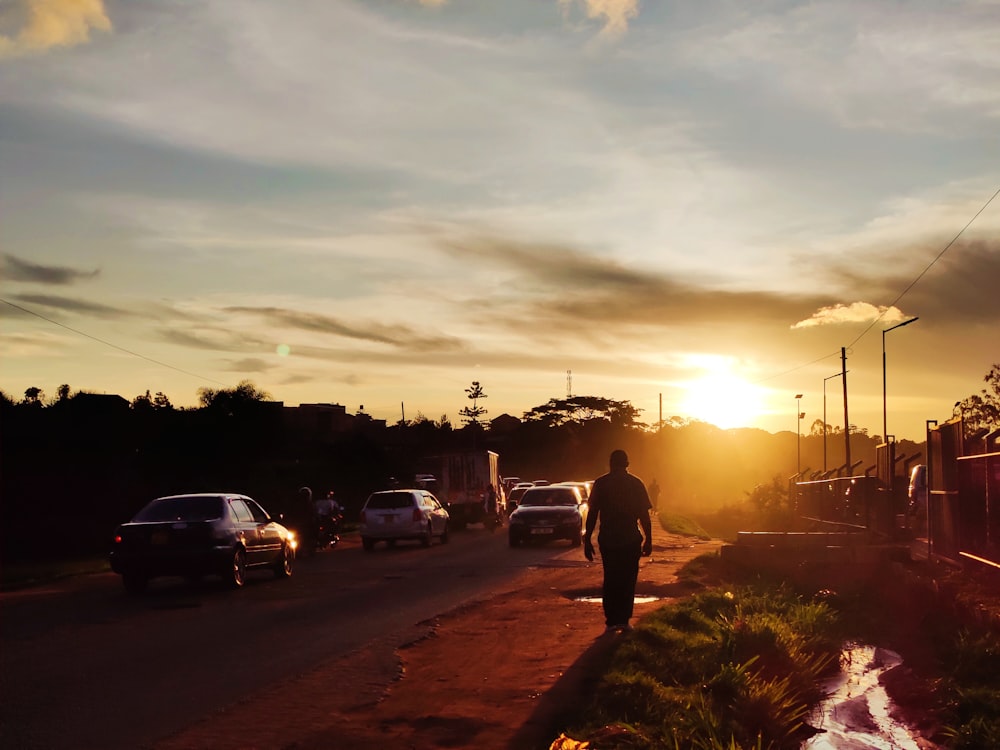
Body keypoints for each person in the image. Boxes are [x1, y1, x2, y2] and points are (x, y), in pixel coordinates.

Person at [583, 449, 653, 634]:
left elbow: (592, 514)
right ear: (627, 464)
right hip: (630, 539)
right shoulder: (636, 483)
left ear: (611, 464)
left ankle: (611, 621)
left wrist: (587, 539)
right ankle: (624, 619)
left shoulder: (601, 483)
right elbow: (644, 516)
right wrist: (648, 540)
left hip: (609, 540)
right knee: (628, 580)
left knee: (611, 578)